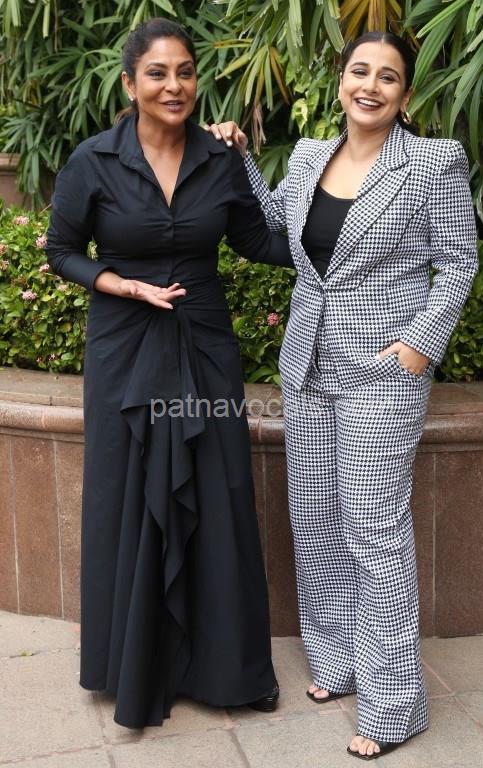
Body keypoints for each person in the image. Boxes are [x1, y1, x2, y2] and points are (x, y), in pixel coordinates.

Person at [207, 31, 478, 760]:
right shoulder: (307, 156)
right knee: (318, 519)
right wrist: (239, 156)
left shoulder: (432, 163)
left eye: (388, 77)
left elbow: (458, 262)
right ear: (340, 82)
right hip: (307, 365)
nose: (371, 85)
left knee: (374, 529)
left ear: (405, 94)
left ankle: (394, 704)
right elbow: (273, 223)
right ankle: (337, 661)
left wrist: (419, 346)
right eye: (360, 71)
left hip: (382, 373)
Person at [45, 18, 292, 729]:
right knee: (126, 495)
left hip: (203, 346)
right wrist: (120, 284)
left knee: (217, 489)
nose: (174, 85)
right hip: (124, 348)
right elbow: (61, 250)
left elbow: (259, 239)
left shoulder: (219, 157)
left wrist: (348, 223)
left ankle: (224, 669)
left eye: (184, 71)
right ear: (130, 83)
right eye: (157, 73)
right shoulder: (93, 160)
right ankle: (134, 665)